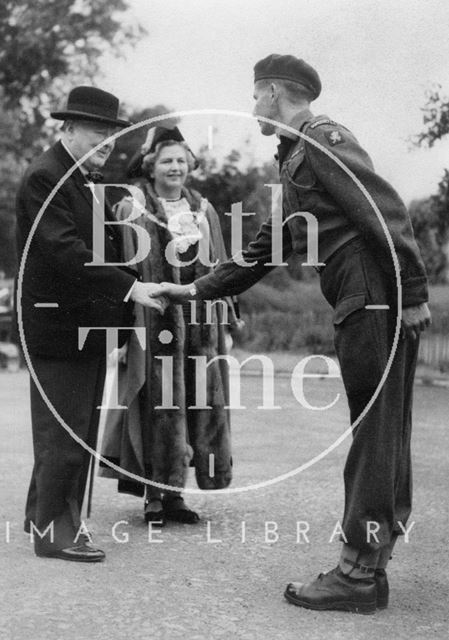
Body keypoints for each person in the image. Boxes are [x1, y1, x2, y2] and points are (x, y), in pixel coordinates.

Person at [154, 55, 431, 612]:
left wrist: (415, 290)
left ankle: (356, 573)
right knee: (380, 433)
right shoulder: (298, 157)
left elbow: (385, 209)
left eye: (256, 96)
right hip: (363, 298)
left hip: (373, 296)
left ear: (275, 93)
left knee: (377, 434)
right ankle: (369, 566)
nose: (253, 107)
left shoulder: (322, 140)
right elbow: (271, 245)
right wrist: (198, 289)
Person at [16, 86, 166, 562]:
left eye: (113, 134)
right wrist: (130, 288)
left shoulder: (77, 178)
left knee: (71, 427)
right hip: (58, 329)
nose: (108, 143)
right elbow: (65, 252)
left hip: (81, 327)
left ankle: (40, 514)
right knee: (65, 431)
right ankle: (55, 533)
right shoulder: (47, 177)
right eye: (98, 132)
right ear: (68, 129)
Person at [100, 126, 241, 526]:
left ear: (190, 165)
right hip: (151, 322)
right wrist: (122, 330)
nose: (175, 167)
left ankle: (176, 493)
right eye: (167, 160)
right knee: (156, 404)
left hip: (199, 326)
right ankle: (153, 496)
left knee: (196, 405)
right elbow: (122, 269)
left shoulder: (203, 210)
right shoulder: (133, 208)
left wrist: (225, 320)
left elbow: (221, 266)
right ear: (150, 165)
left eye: (181, 160)